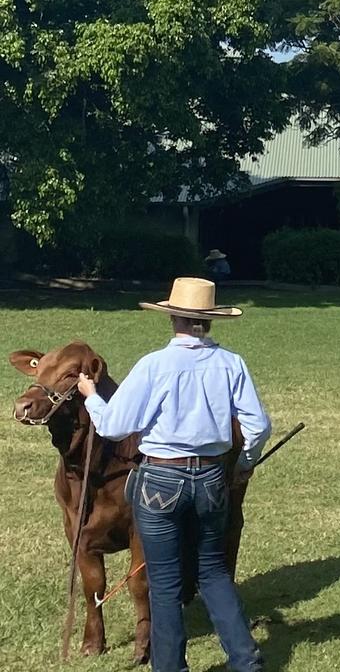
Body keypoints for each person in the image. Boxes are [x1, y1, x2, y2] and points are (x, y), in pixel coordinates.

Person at [76, 277, 272, 672]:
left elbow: (114, 426)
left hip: (161, 481)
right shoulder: (231, 363)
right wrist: (244, 463)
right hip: (214, 478)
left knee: (164, 582)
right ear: (209, 321)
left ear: (173, 319)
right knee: (213, 572)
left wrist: (91, 397)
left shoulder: (154, 364)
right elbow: (259, 425)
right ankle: (245, 660)